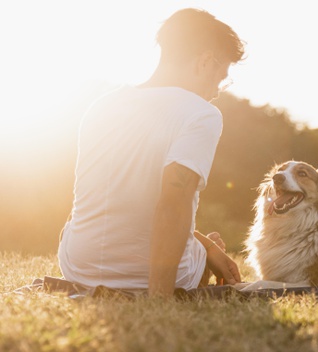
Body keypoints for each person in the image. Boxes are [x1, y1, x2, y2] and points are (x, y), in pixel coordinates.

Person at [58, 8, 244, 297]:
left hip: (78, 268)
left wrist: (203, 245)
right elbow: (174, 202)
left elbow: (124, 207)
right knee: (210, 244)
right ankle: (202, 255)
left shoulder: (101, 106)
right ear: (205, 61)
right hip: (147, 279)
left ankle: (204, 247)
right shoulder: (202, 114)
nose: (218, 90)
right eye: (221, 78)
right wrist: (160, 298)